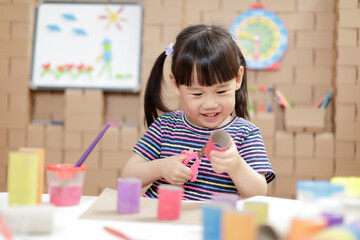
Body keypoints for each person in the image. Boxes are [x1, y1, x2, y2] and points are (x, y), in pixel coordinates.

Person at [122, 24, 275, 201]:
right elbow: (128, 176)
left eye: (221, 91)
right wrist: (161, 167)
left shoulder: (246, 134)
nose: (210, 104)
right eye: (197, 93)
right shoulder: (165, 126)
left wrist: (235, 165)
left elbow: (258, 192)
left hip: (210, 223)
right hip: (161, 222)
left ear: (238, 79)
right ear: (176, 84)